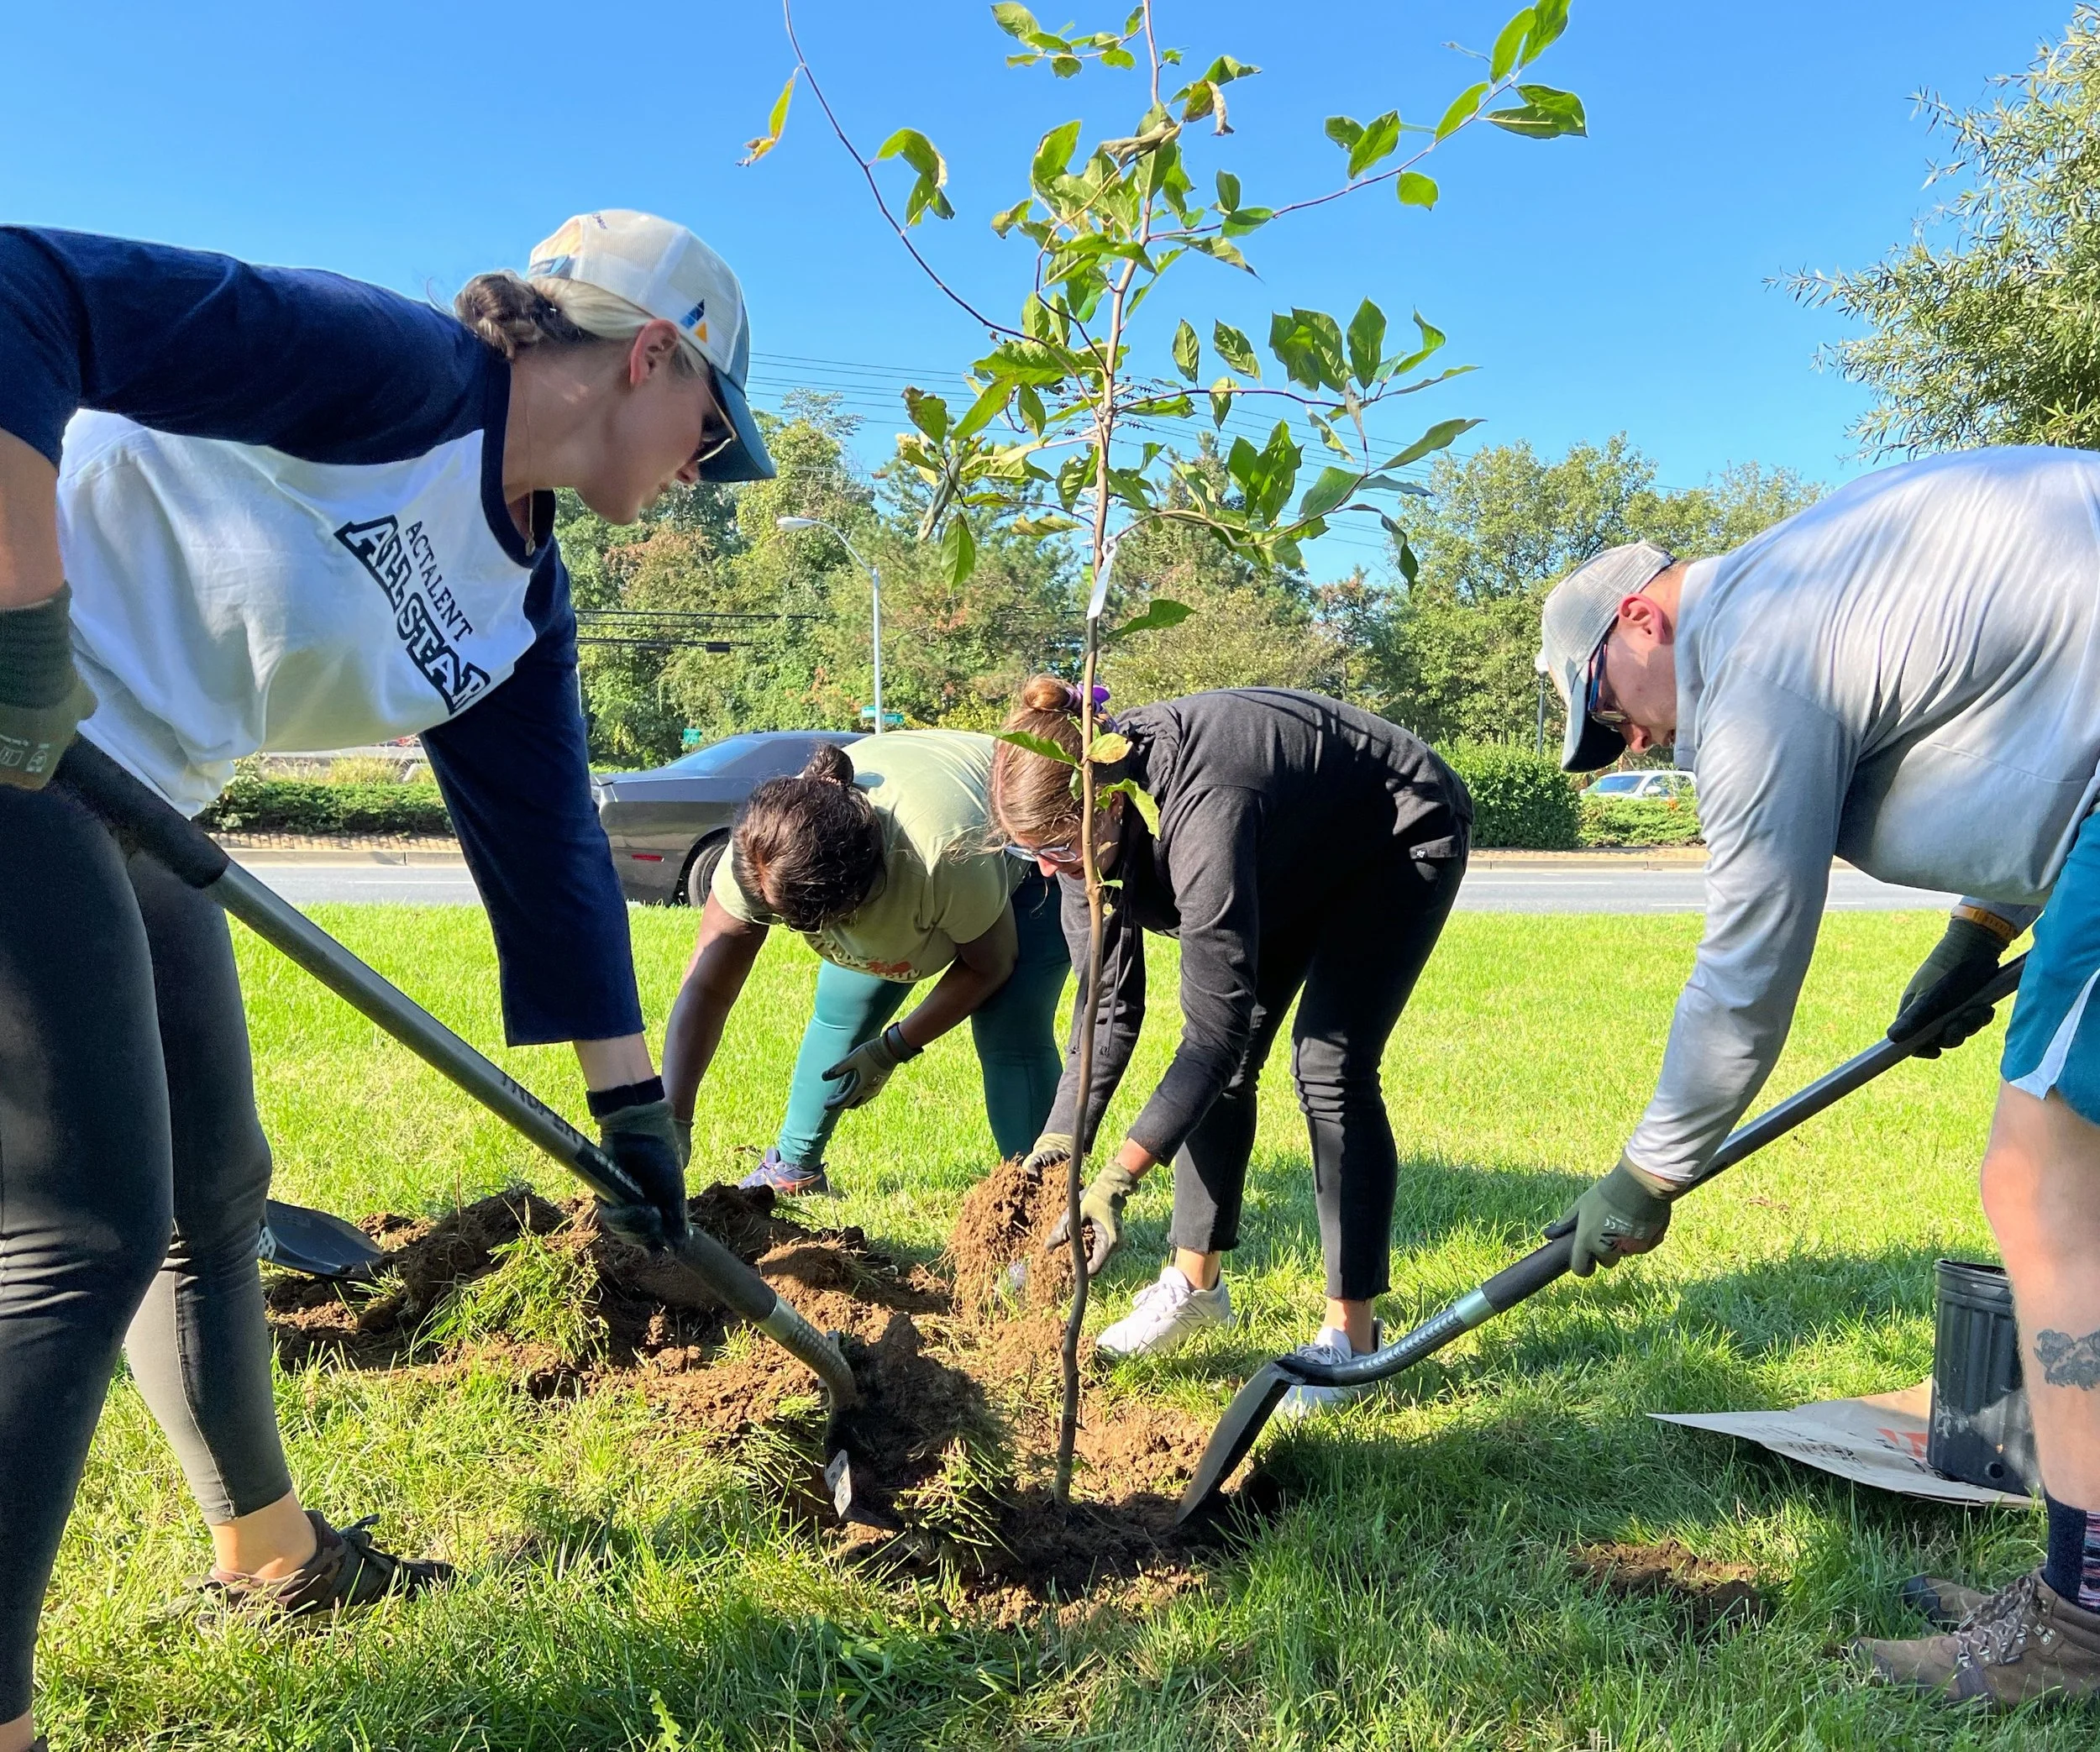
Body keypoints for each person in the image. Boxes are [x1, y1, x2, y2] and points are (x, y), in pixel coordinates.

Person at [0, 210, 773, 1752]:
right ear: (649, 353)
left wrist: (635, 1121)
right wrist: (19, 629)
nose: (707, 470)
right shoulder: (391, 372)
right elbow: (24, 288)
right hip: (21, 732)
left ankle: (270, 1555)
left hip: (140, 787)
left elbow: (550, 855)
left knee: (211, 1189)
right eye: (713, 429)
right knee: (80, 1221)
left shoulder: (518, 600)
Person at [1536, 448, 2100, 1707]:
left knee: (2045, 1191)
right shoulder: (1813, 578)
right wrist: (1977, 928)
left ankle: (2083, 1621)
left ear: (1642, 615)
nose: (1631, 738)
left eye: (1611, 708)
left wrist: (1651, 1169)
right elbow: (2038, 704)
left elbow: (1750, 954)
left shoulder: (1751, 655)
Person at [990, 679, 1472, 1410]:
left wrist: (1117, 1180)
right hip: (1288, 846)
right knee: (1238, 1062)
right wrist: (1061, 1146)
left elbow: (1207, 1038)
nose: (1051, 870)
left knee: (1329, 1064)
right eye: (1035, 857)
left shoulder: (1206, 808)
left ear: (1109, 806)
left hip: (1396, 835)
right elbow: (1107, 1007)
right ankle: (1195, 1289)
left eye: (1057, 847)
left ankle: (1353, 1339)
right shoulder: (1089, 820)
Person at [661, 733, 1068, 1195]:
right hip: (900, 860)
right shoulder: (766, 847)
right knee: (844, 1006)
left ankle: (1044, 1211)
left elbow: (990, 965)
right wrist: (669, 1120)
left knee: (1011, 1029)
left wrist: (892, 1048)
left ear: (859, 886)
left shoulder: (941, 852)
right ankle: (796, 1170)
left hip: (1024, 851)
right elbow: (707, 987)